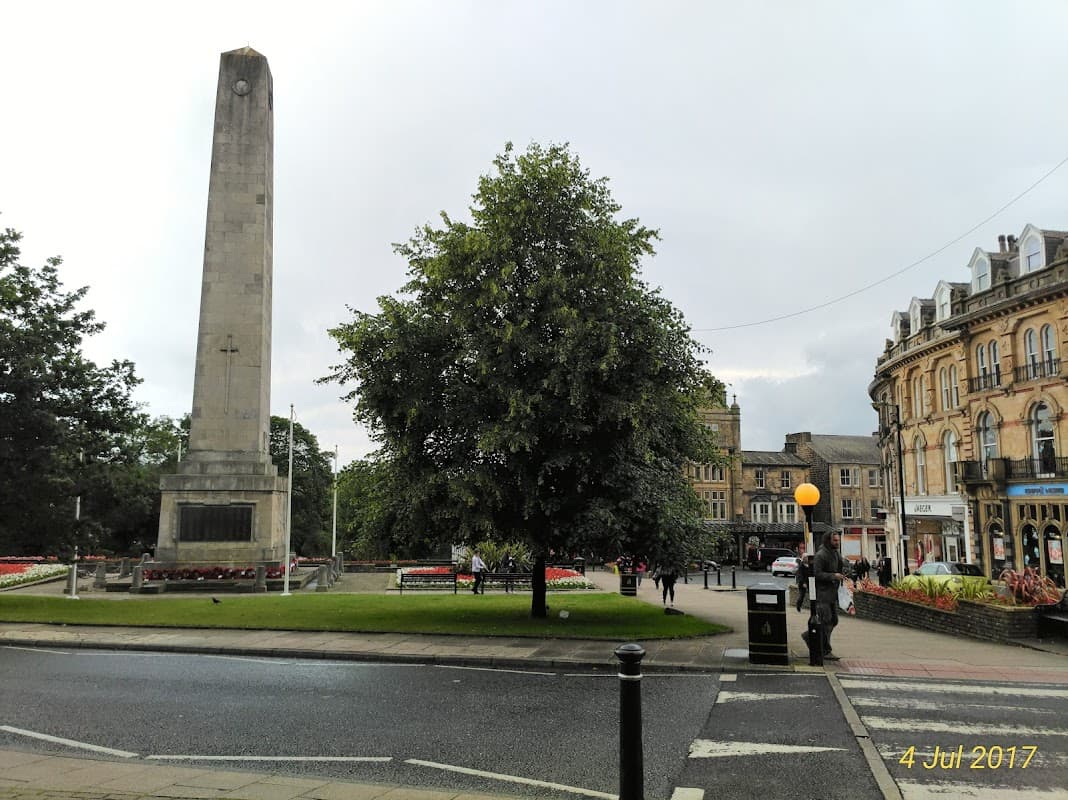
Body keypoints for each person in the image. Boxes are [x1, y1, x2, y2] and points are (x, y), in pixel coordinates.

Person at [804, 531, 848, 661]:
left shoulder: (835, 553)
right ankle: (825, 650)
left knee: (833, 621)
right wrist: (833, 576)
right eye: (835, 540)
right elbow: (816, 574)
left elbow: (839, 568)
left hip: (832, 594)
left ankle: (809, 636)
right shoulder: (821, 555)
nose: (837, 542)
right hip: (822, 594)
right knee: (826, 621)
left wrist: (843, 573)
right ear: (828, 541)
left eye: (838, 540)